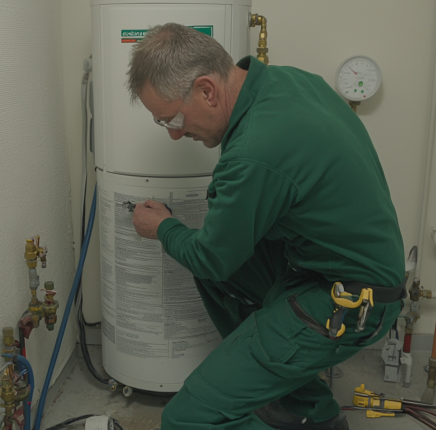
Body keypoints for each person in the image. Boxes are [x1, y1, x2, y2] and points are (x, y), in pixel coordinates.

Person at [127, 23, 405, 430]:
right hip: (323, 266)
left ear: (206, 90)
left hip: (349, 299)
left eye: (173, 118)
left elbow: (213, 256)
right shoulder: (289, 82)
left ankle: (283, 393)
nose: (174, 134)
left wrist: (164, 227)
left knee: (188, 419)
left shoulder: (254, 151)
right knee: (214, 266)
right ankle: (314, 412)